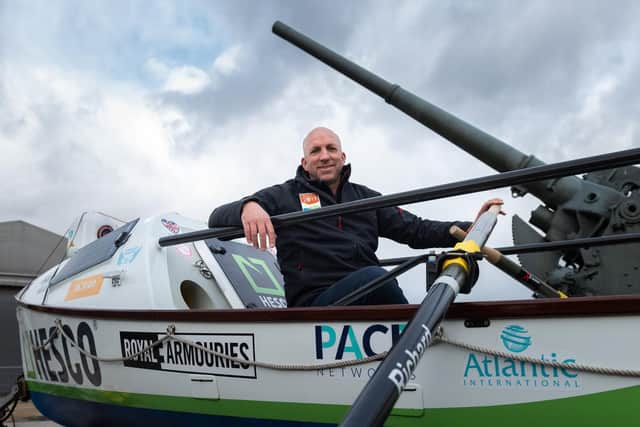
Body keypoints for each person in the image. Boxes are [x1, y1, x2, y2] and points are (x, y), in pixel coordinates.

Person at [209, 127, 502, 307]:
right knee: (375, 277)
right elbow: (216, 219)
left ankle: (420, 330)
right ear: (305, 162)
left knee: (382, 278)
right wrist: (248, 206)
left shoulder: (366, 198)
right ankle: (417, 334)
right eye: (316, 151)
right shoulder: (284, 195)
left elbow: (417, 231)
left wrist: (470, 226)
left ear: (342, 156)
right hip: (316, 303)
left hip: (368, 294)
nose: (324, 156)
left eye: (331, 149)